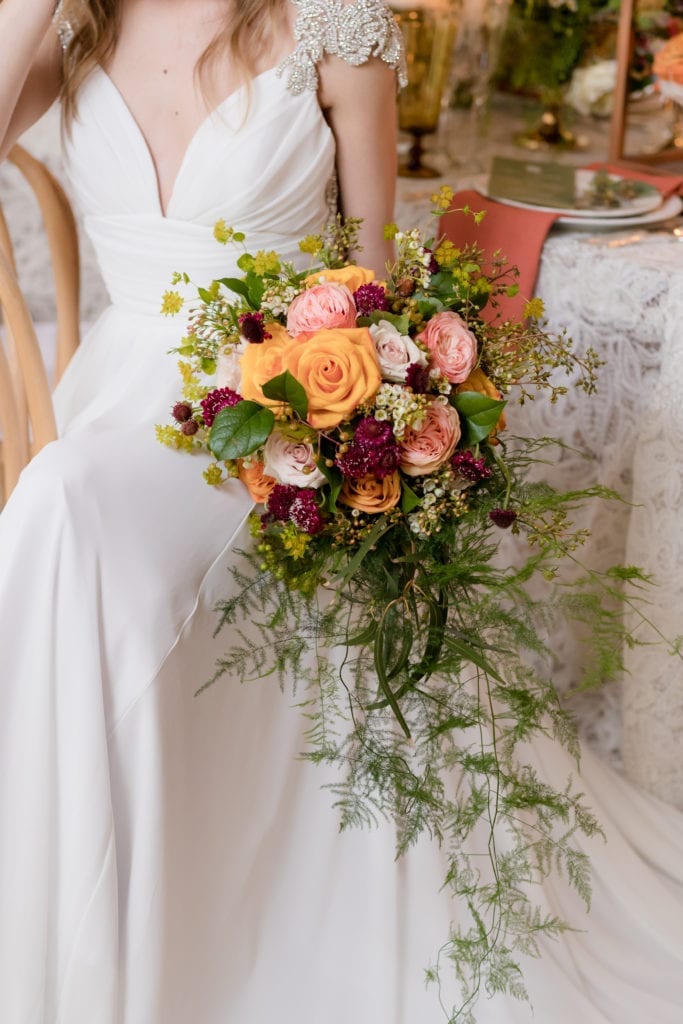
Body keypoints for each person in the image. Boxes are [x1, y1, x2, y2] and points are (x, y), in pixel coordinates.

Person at [0, 2, 682, 1023]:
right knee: (65, 509)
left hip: (267, 412)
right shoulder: (71, 32)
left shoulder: (334, 26)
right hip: (115, 404)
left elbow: (372, 278)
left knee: (57, 508)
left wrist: (348, 434)